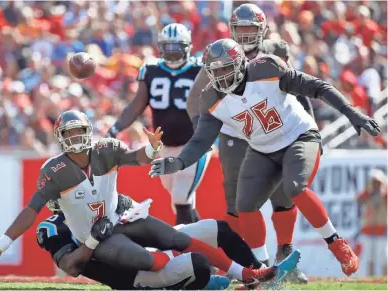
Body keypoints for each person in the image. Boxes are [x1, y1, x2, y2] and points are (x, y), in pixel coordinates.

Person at [150, 38, 381, 277]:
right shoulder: (212, 98)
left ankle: (337, 244)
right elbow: (201, 140)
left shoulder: (266, 69)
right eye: (215, 71)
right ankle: (262, 269)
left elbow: (317, 87)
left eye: (226, 68)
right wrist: (177, 162)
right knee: (245, 205)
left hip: (298, 135)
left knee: (295, 188)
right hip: (262, 148)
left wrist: (351, 112)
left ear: (240, 63)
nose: (222, 76)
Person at [0, 110, 281, 285]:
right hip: (97, 238)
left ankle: (248, 273)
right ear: (60, 139)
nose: (76, 139)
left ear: (89, 132)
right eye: (70, 134)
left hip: (121, 217)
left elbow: (137, 158)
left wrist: (152, 149)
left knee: (177, 237)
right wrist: (2, 244)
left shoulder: (106, 150)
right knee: (150, 259)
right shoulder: (55, 171)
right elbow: (30, 210)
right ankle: (199, 276)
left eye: (80, 132)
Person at [187, 4, 311, 283]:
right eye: (239, 29)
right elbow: (194, 101)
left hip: (274, 133)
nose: (243, 36)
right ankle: (247, 264)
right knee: (236, 204)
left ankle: (284, 257)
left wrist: (309, 130)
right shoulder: (220, 50)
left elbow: (296, 92)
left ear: (262, 30)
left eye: (249, 29)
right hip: (236, 137)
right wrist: (204, 135)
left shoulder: (275, 51)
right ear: (231, 30)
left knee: (283, 196)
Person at [36, 202, 299, 289]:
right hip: (135, 273)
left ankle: (260, 278)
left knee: (219, 229)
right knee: (200, 265)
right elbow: (71, 267)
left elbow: (141, 226)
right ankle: (212, 285)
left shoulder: (99, 198)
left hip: (155, 248)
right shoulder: (54, 226)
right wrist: (93, 239)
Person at [107, 23, 211, 224]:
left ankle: (184, 251)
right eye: (168, 47)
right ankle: (208, 243)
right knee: (181, 202)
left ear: (188, 46)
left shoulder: (200, 69)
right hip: (164, 147)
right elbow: (138, 103)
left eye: (177, 47)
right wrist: (116, 127)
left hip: (195, 144)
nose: (172, 53)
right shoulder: (151, 70)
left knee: (181, 199)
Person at [356, 169, 387, 276]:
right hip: (368, 230)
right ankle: (371, 278)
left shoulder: (385, 194)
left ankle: (385, 279)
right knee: (369, 258)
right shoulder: (367, 194)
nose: (376, 185)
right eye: (374, 182)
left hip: (381, 231)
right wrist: (368, 190)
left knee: (383, 259)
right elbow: (358, 199)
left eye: (378, 182)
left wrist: (383, 189)